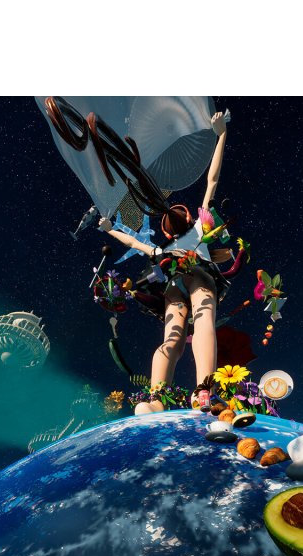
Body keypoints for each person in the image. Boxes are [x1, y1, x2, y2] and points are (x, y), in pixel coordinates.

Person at [99, 112, 230, 415]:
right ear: (188, 218)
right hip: (196, 276)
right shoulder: (195, 231)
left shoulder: (164, 249)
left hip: (174, 284)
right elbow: (212, 181)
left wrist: (110, 229)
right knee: (202, 323)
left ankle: (158, 398)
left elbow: (133, 242)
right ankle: (202, 391)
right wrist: (221, 134)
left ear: (168, 231)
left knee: (173, 338)